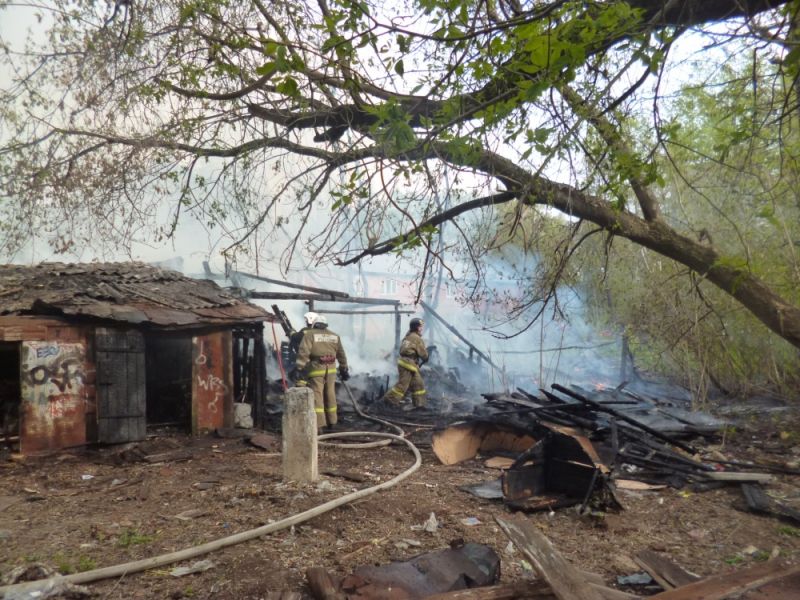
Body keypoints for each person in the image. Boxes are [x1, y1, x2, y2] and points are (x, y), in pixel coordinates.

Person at [293, 315, 349, 431]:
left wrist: (299, 368)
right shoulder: (334, 336)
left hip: (316, 369)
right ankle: (332, 422)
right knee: (330, 394)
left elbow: (304, 352)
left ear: (315, 324)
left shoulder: (310, 335)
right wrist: (344, 368)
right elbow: (341, 354)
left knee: (317, 396)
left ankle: (320, 425)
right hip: (331, 370)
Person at [382, 317, 428, 407]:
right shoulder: (417, 338)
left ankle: (420, 405)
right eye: (421, 326)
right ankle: (388, 401)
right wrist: (426, 357)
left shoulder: (408, 336)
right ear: (417, 327)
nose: (422, 328)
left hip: (408, 364)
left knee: (418, 384)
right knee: (403, 385)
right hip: (408, 364)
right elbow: (423, 353)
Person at [287, 311, 318, 375]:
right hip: (317, 360)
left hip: (306, 359)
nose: (306, 321)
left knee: (296, 375)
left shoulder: (306, 330)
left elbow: (296, 337)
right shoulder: (320, 331)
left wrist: (292, 332)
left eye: (306, 320)